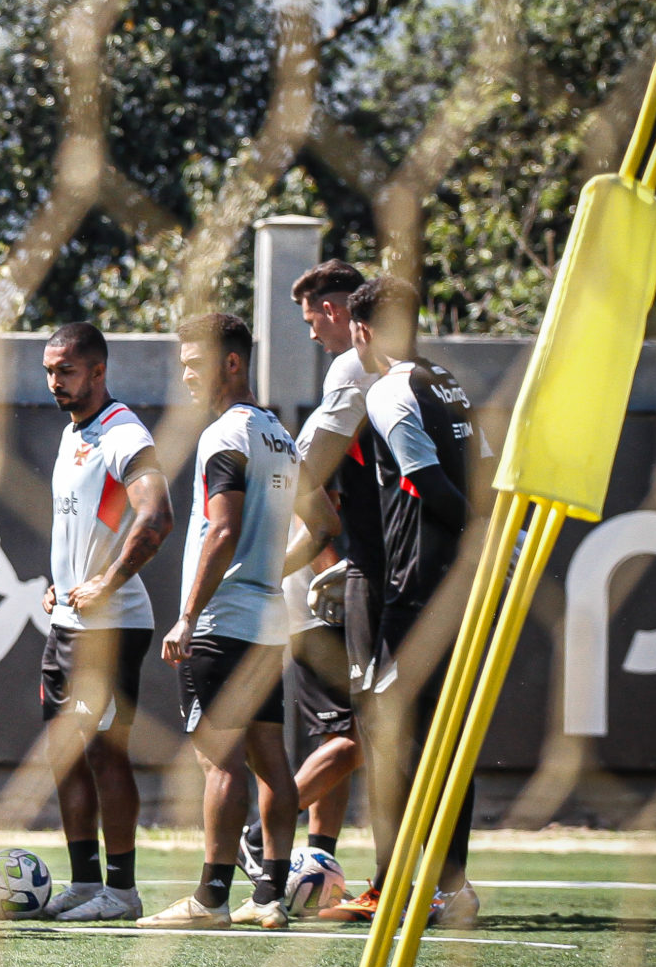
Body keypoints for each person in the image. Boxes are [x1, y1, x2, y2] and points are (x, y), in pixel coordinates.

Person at [142, 313, 306, 929]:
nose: (185, 375)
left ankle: (210, 900)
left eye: (194, 363)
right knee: (270, 759)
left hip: (221, 624)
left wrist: (187, 615)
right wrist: (266, 573)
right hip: (266, 623)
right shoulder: (280, 437)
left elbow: (224, 528)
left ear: (231, 363)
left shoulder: (224, 436)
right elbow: (324, 526)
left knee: (220, 762)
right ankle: (269, 896)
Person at [335, 277, 490, 927]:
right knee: (443, 738)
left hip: (421, 589)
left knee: (390, 731)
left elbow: (424, 481)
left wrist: (478, 528)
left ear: (362, 330)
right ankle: (445, 886)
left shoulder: (393, 390)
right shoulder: (443, 379)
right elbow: (486, 465)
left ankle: (418, 884)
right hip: (462, 584)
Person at [35, 322, 173, 925]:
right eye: (48, 370)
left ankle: (121, 890)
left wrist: (106, 582)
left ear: (97, 371)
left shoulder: (123, 432)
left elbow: (157, 515)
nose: (54, 381)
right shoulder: (74, 435)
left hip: (112, 626)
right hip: (67, 623)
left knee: (105, 755)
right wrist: (61, 583)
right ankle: (85, 881)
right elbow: (90, 526)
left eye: (65, 370)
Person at [279, 261, 372, 885]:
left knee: (337, 731)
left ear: (338, 313)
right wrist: (325, 568)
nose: (312, 335)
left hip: (332, 586)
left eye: (314, 320)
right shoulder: (356, 378)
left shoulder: (364, 375)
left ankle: (319, 851)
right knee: (359, 733)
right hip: (319, 590)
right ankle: (258, 831)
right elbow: (304, 484)